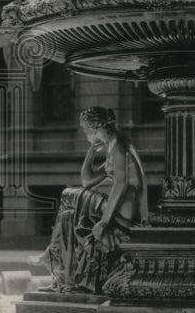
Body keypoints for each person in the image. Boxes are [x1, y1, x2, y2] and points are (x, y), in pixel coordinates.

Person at [42, 107, 147, 294]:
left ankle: (52, 256)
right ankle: (59, 267)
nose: (85, 134)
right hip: (121, 207)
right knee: (68, 215)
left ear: (94, 126)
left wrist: (104, 221)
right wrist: (90, 153)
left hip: (126, 211)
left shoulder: (118, 144)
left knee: (67, 194)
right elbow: (87, 181)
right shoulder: (112, 145)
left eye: (85, 129)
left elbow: (121, 184)